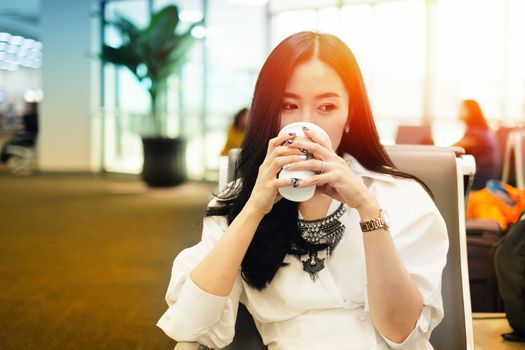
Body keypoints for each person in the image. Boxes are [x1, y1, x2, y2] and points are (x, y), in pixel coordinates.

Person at [157, 31, 449, 349]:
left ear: (350, 113)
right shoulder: (240, 200)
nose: (307, 125)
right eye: (289, 105)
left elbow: (402, 331)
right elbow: (190, 323)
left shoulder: (399, 196)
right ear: (270, 113)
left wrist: (367, 209)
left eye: (326, 107)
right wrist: (255, 208)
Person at [453, 99, 498, 190]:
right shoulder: (483, 131)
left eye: (462, 109)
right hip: (487, 180)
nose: (459, 112)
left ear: (470, 112)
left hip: (479, 183)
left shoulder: (475, 133)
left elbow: (454, 149)